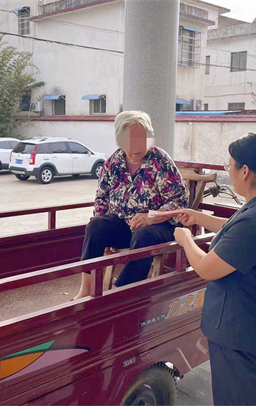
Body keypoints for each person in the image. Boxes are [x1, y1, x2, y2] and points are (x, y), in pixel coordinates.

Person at [173, 132, 256, 405]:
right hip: (248, 327)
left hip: (241, 333)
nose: (227, 171)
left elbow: (207, 268)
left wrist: (185, 239)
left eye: (228, 166)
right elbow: (232, 231)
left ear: (245, 171)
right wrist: (197, 217)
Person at [72, 111, 187, 300]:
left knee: (144, 236)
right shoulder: (113, 163)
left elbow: (180, 201)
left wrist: (152, 216)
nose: (137, 146)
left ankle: (121, 293)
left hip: (160, 226)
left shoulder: (160, 161)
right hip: (125, 224)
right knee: (96, 225)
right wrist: (105, 238)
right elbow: (102, 199)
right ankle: (86, 290)